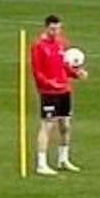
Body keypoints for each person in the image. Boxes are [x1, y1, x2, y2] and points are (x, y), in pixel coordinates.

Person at [29, 14, 86, 175]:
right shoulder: (38, 46)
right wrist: (49, 83)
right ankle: (41, 164)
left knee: (65, 126)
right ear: (46, 28)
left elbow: (64, 66)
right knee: (47, 125)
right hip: (48, 92)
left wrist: (76, 74)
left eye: (58, 29)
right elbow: (37, 71)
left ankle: (63, 159)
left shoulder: (61, 43)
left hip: (64, 90)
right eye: (53, 29)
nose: (56, 32)